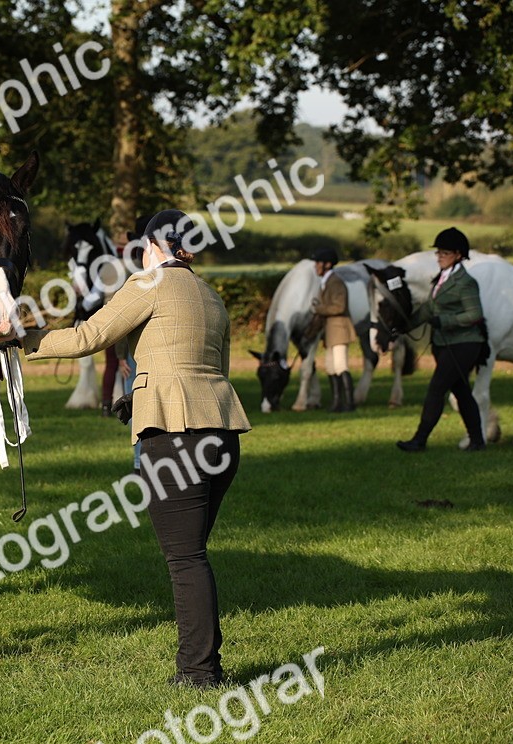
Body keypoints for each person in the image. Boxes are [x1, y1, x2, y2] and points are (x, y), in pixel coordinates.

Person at [18, 209, 251, 687]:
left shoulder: (149, 283)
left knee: (185, 559)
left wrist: (24, 338)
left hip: (176, 436)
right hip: (224, 435)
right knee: (193, 555)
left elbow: (89, 336)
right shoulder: (211, 296)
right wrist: (137, 397)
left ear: (152, 246)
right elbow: (210, 370)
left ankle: (199, 672)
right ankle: (203, 663)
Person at [396, 228, 487, 452]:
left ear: (458, 255)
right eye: (438, 253)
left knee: (436, 389)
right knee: (462, 392)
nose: (439, 257)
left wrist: (444, 320)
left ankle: (420, 439)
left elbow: (475, 315)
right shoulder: (441, 278)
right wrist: (404, 327)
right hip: (444, 344)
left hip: (464, 344)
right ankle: (477, 441)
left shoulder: (465, 283)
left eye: (444, 253)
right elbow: (428, 309)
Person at [304, 247, 356, 412]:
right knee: (330, 366)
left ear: (327, 264)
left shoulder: (336, 282)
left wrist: (319, 309)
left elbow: (339, 306)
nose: (315, 267)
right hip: (330, 331)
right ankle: (337, 402)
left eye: (318, 263)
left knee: (341, 366)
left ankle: (349, 403)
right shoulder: (326, 282)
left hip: (339, 329)